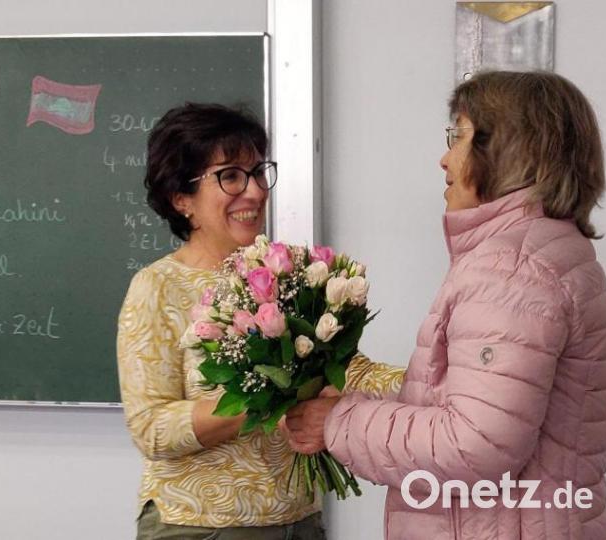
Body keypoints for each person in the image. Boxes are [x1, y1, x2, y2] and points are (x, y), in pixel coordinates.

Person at [285, 71, 606, 540]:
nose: (445, 159)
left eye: (457, 136)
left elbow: (476, 444)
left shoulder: (512, 271)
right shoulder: (547, 254)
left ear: (507, 149)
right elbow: (474, 411)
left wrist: (339, 423)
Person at [117, 102, 402, 540]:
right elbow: (152, 429)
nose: (253, 191)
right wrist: (267, 397)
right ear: (182, 199)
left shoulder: (287, 274)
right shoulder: (157, 287)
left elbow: (348, 372)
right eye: (230, 175)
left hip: (298, 521)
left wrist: (440, 380)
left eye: (256, 172)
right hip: (198, 527)